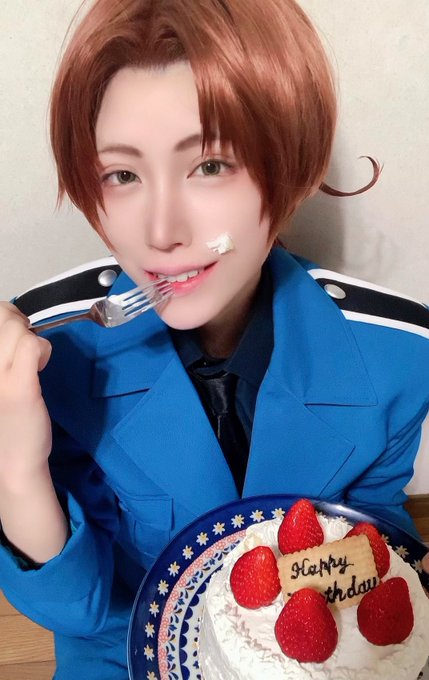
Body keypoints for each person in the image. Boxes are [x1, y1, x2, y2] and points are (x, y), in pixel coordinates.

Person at [1, 0, 429, 677]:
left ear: (288, 167)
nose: (160, 231)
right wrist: (16, 468)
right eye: (122, 175)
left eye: (209, 165)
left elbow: (373, 537)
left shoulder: (396, 355)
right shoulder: (56, 355)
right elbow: (78, 610)